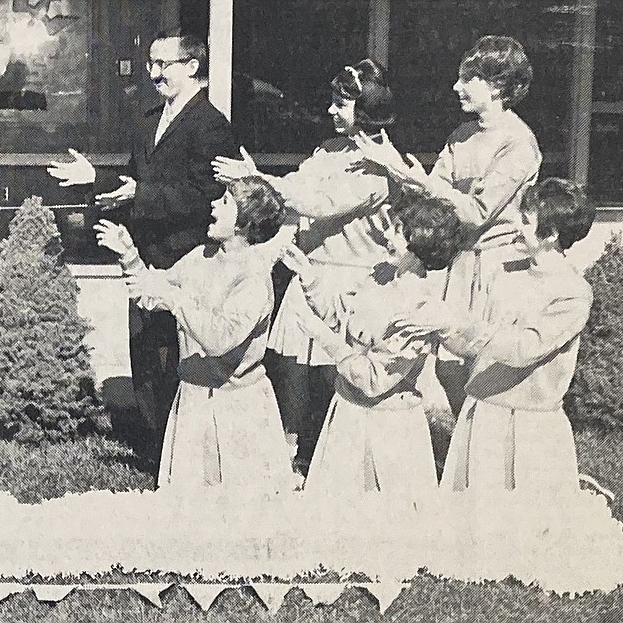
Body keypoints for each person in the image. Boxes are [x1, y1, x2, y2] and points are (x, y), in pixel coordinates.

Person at [393, 178, 623, 592]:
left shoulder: (572, 293)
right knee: (479, 516)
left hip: (531, 415)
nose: (515, 227)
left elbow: (522, 348)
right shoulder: (506, 270)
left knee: (534, 522)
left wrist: (456, 324)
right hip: (486, 399)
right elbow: (474, 334)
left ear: (551, 236)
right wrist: (436, 328)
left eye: (526, 222)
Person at [47, 28, 239, 456]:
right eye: (151, 63)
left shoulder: (211, 126)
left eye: (162, 64)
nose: (153, 74)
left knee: (178, 361)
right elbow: (137, 185)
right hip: (141, 259)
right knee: (146, 359)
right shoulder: (149, 120)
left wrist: (139, 194)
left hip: (186, 262)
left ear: (192, 67)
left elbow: (204, 196)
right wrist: (95, 179)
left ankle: (182, 457)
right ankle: (156, 453)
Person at [213, 58, 397, 476]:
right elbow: (297, 190)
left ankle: (338, 457)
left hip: (355, 277)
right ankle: (297, 453)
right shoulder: (328, 149)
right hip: (310, 268)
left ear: (366, 107)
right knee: (294, 368)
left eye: (341, 104)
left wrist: (259, 177)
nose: (331, 111)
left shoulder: (380, 162)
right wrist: (261, 185)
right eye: (332, 102)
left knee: (339, 371)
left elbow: (322, 204)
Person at [355, 35, 541, 418]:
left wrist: (419, 179)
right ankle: (467, 448)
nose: (456, 87)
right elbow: (433, 196)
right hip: (458, 265)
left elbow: (475, 211)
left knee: (485, 367)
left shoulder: (519, 143)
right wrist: (394, 168)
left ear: (497, 86)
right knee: (446, 366)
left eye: (467, 79)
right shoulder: (461, 135)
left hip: (498, 269)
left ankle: (485, 456)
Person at [92, 176, 294, 495]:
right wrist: (128, 255)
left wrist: (178, 300)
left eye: (226, 202)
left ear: (246, 223)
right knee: (190, 509)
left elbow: (219, 340)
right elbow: (151, 294)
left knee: (242, 507)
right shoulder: (201, 257)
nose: (213, 204)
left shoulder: (253, 279)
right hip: (193, 399)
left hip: (238, 408)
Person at [288, 191, 463, 501]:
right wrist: (309, 276)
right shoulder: (381, 274)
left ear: (420, 241)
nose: (386, 234)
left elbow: (375, 380)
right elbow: (340, 315)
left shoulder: (422, 309)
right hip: (346, 416)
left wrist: (324, 339)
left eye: (397, 229)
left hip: (389, 432)